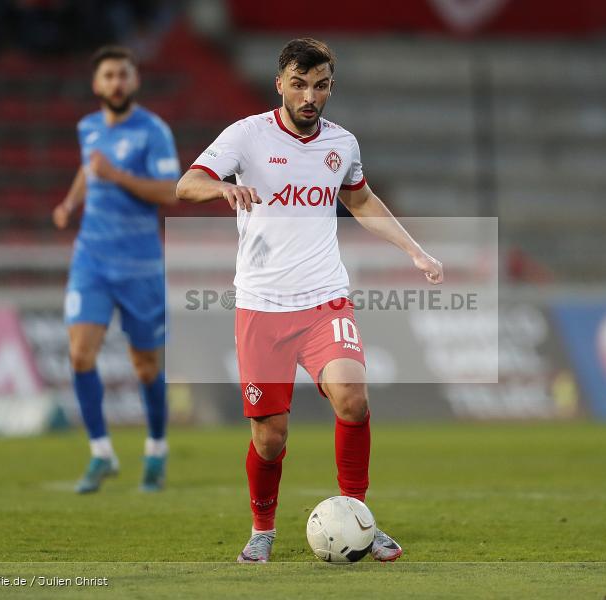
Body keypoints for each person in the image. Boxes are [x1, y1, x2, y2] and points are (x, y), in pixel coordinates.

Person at [175, 38, 443, 562]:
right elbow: (187, 184)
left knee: (353, 398)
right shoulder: (247, 135)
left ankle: (359, 518)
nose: (309, 96)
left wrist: (415, 250)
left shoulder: (342, 144)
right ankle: (262, 529)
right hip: (262, 306)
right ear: (280, 83)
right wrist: (221, 189)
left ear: (330, 88)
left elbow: (360, 199)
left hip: (325, 300)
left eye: (319, 86)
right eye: (298, 85)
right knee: (270, 438)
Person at [52, 45, 180, 494]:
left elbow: (170, 191)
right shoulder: (88, 127)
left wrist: (118, 175)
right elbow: (89, 170)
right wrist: (70, 202)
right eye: (108, 76)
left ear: (135, 80)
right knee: (80, 354)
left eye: (123, 75)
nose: (116, 83)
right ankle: (101, 453)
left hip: (140, 265)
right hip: (91, 259)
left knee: (145, 366)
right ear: (96, 84)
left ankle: (156, 449)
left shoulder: (153, 131)